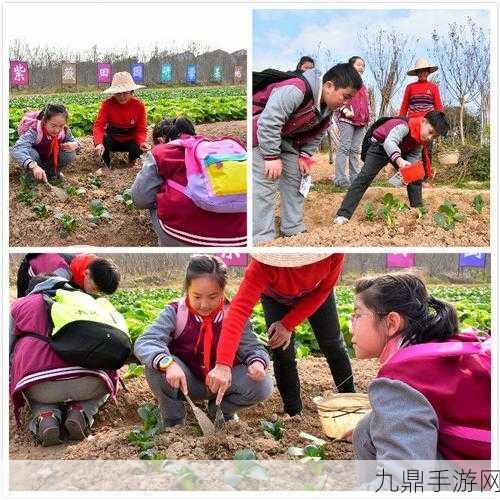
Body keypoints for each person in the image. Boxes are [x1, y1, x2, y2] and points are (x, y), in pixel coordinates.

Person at [350, 273, 490, 471]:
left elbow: (406, 486)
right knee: (368, 428)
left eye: (357, 314)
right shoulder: (439, 351)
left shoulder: (400, 381)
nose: (350, 325)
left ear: (391, 323)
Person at [134, 255, 273, 428]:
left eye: (213, 297)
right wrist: (167, 363)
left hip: (223, 385)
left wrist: (257, 363)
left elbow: (253, 348)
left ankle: (221, 411)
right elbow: (146, 341)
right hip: (187, 382)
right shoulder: (176, 312)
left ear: (223, 291)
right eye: (197, 297)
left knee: (263, 384)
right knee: (155, 367)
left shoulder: (234, 315)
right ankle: (174, 422)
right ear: (187, 290)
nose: (204, 304)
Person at [208, 253, 353, 417]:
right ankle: (294, 414)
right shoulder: (262, 265)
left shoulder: (333, 255)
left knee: (333, 344)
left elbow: (324, 290)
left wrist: (288, 324)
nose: (295, 265)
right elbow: (238, 312)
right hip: (276, 297)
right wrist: (223, 364)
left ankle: (351, 404)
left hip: (317, 294)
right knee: (282, 352)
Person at [253, 63, 363, 242]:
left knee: (297, 178)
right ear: (329, 86)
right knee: (267, 180)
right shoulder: (296, 90)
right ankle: (261, 237)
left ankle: (293, 228)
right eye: (345, 96)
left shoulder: (328, 111)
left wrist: (305, 156)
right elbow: (269, 122)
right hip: (260, 132)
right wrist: (271, 157)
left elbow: (317, 135)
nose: (346, 103)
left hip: (287, 139)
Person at [10, 276, 121, 446]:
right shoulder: (86, 299)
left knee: (31, 384)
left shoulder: (21, 304)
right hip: (89, 381)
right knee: (107, 377)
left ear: (33, 290)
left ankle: (46, 416)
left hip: (41, 385)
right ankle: (81, 411)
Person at [130, 117, 247, 247]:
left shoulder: (162, 152)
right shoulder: (223, 148)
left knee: (151, 199)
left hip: (185, 236)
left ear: (161, 140)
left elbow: (140, 199)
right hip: (240, 237)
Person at [334, 110, 450, 224]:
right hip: (380, 147)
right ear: (423, 121)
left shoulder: (421, 139)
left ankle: (417, 209)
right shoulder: (404, 126)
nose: (430, 138)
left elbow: (414, 154)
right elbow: (390, 142)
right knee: (364, 178)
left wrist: (408, 171)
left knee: (415, 177)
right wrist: (400, 161)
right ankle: (343, 214)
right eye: (430, 132)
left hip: (400, 151)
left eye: (434, 137)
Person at [93, 72, 149, 173]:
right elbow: (99, 126)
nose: (122, 96)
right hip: (113, 140)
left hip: (131, 141)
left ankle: (132, 163)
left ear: (132, 92)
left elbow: (141, 129)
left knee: (138, 145)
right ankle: (106, 165)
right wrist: (98, 143)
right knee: (103, 139)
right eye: (118, 93)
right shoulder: (107, 104)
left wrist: (142, 142)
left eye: (126, 93)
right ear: (114, 93)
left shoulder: (139, 106)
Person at [10, 104, 81, 183]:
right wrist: (33, 166)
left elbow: (76, 143)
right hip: (34, 161)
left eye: (61, 126)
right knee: (31, 153)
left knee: (69, 153)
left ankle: (52, 174)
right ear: (44, 122)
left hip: (48, 159)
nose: (57, 130)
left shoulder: (64, 131)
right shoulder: (35, 131)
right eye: (53, 125)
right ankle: (31, 179)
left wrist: (75, 145)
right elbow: (17, 149)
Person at [333, 56, 370, 187]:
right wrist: (344, 109)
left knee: (355, 150)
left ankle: (354, 178)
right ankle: (340, 179)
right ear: (351, 66)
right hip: (347, 120)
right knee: (344, 148)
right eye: (359, 65)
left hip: (361, 123)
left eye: (363, 66)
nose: (361, 67)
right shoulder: (345, 81)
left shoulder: (363, 86)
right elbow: (337, 98)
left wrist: (367, 118)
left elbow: (366, 104)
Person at [16, 253, 120, 298]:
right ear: (86, 274)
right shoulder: (61, 272)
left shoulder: (96, 267)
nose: (96, 293)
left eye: (100, 291)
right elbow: (41, 292)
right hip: (32, 271)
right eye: (94, 289)